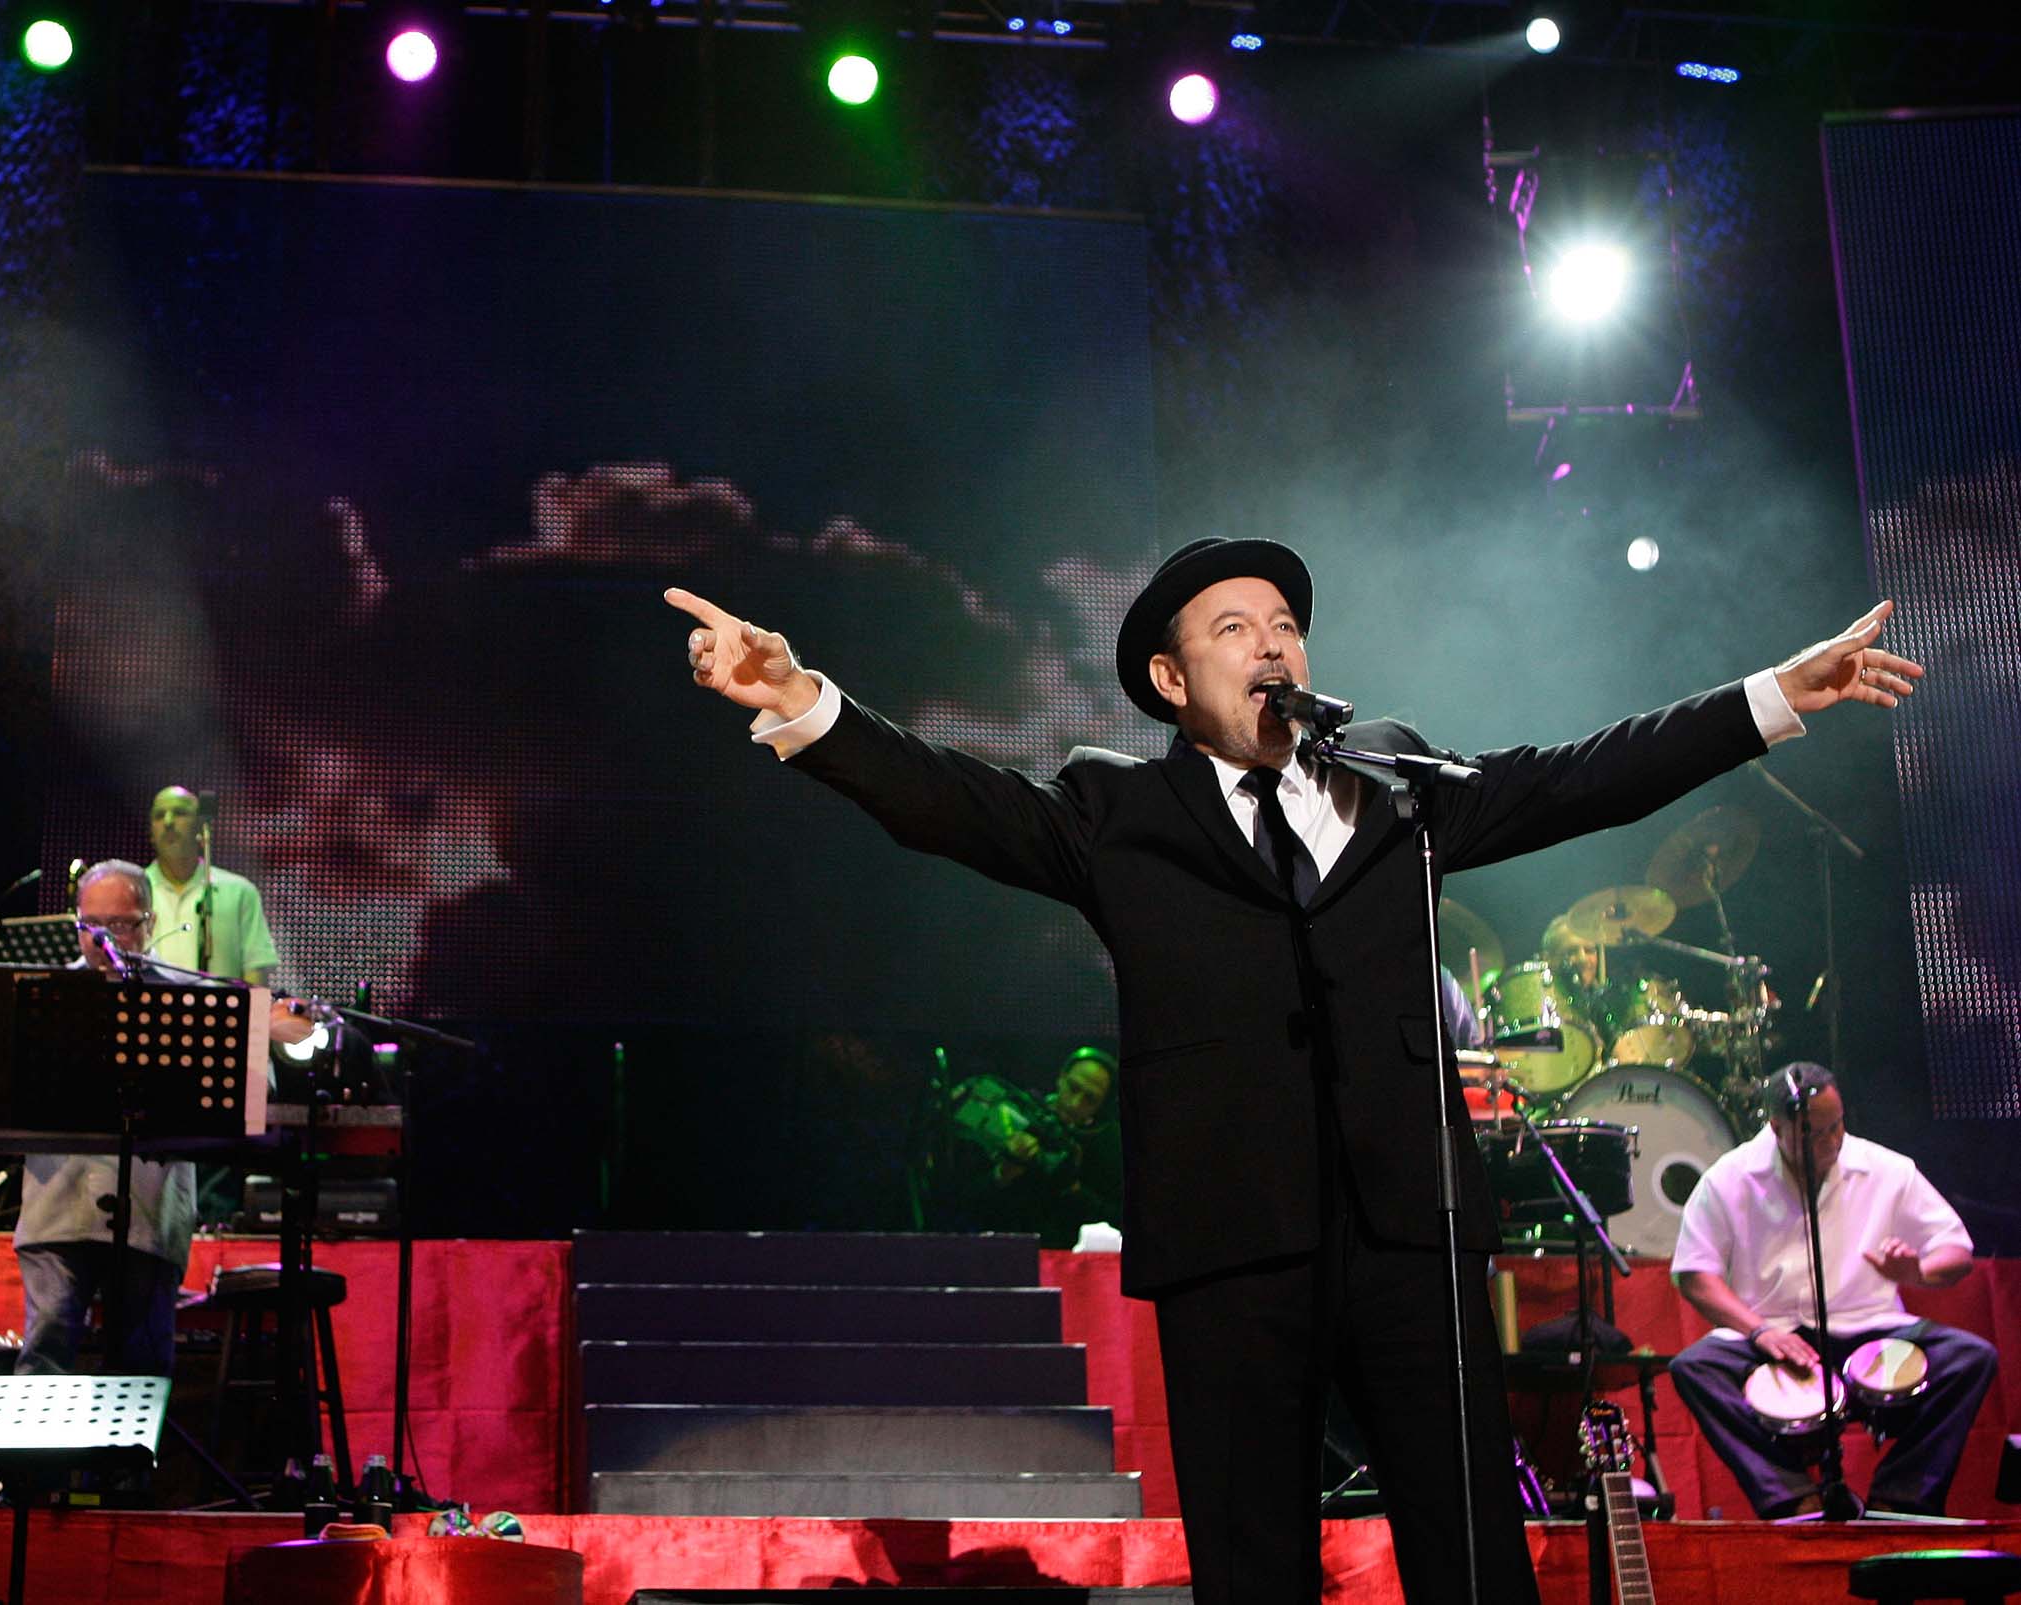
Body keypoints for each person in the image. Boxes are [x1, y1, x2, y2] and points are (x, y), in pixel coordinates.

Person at [666, 538, 1917, 1601]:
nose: (1272, 646)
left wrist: (1771, 696)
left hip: (1408, 1231)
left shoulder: (1396, 785)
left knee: (1471, 1549)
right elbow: (948, 800)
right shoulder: (1115, 810)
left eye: (1284, 626)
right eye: (1233, 628)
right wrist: (803, 699)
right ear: (1169, 677)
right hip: (1232, 1240)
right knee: (1255, 1555)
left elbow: (1583, 776)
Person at [1669, 1063, 1996, 1518]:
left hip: (1873, 1332)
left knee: (1970, 1358)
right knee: (1695, 1367)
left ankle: (1898, 1500)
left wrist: (1917, 1270)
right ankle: (1791, 1498)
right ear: (1777, 1127)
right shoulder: (1729, 1178)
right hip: (1776, 1337)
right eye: (1816, 1133)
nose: (1833, 1141)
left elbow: (1956, 1250)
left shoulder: (1887, 1169)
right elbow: (1695, 1275)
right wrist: (1759, 1331)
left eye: (1837, 1125)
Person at [12, 860, 199, 1377]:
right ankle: (38, 1460)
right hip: (57, 1204)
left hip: (147, 1210)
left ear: (148, 922)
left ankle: (127, 1462)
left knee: (141, 1366)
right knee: (45, 1354)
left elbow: (249, 1086)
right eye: (89, 926)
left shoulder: (189, 997)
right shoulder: (41, 997)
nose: (100, 939)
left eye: (117, 926)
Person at [938, 1046, 1124, 1245]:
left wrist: (1073, 1190)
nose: (1075, 1103)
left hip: (1067, 1258)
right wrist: (1003, 1174)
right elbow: (957, 1207)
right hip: (1003, 1249)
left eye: (1090, 1099)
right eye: (1073, 1088)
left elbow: (1116, 1220)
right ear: (1061, 1077)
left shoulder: (1109, 1145)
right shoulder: (1013, 1117)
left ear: (1102, 1105)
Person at [145, 786, 279, 983]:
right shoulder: (132, 893)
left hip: (222, 1013)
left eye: (180, 813)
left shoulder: (239, 892)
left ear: (201, 826)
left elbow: (256, 974)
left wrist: (257, 1015)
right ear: (151, 833)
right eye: (159, 816)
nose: (168, 822)